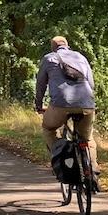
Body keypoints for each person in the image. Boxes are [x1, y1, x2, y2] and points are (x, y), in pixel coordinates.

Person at [34, 36, 98, 181]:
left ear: (53, 47)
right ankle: (92, 170)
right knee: (87, 139)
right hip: (86, 104)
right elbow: (91, 84)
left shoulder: (49, 59)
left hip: (60, 105)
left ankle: (61, 156)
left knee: (48, 129)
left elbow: (41, 85)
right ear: (68, 46)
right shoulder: (81, 57)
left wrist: (39, 105)